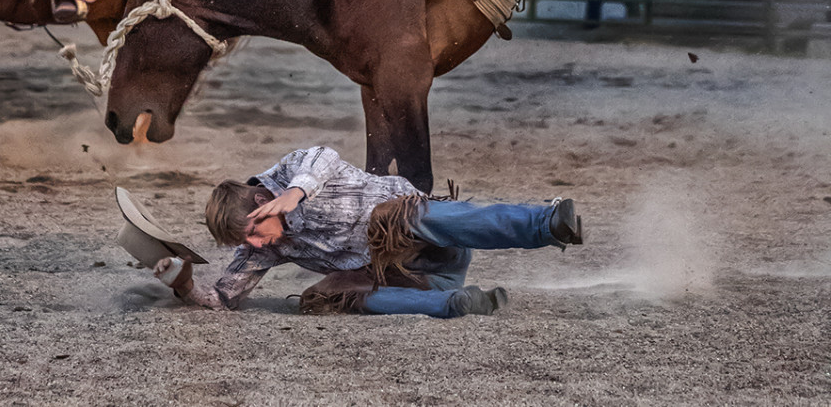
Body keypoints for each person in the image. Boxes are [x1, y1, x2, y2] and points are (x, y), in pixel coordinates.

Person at [148, 145, 583, 318]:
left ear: (262, 203)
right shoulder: (264, 249)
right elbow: (224, 299)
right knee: (324, 295)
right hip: (415, 279)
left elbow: (325, 157)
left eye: (253, 234)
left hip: (436, 237)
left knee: (389, 218)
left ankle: (545, 224)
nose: (256, 247)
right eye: (246, 245)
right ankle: (452, 303)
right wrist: (184, 284)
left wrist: (297, 193)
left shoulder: (292, 169)